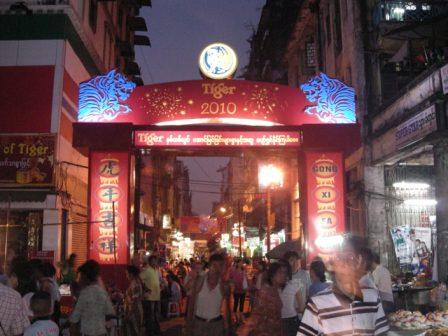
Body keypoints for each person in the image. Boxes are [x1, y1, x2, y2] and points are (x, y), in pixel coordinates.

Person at [297, 236, 389, 336]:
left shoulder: (372, 297)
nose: (345, 262)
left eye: (351, 256)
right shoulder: (317, 304)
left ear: (359, 261)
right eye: (339, 257)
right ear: (331, 265)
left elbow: (381, 333)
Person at [186, 253, 232, 336]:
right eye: (214, 265)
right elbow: (191, 305)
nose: (217, 269)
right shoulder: (199, 281)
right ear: (209, 266)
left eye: (220, 266)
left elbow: (227, 309)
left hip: (217, 325)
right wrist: (189, 327)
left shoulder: (224, 286)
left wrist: (228, 328)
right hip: (199, 324)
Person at [69, 260, 115, 336]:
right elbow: (110, 312)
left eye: (80, 276)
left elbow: (75, 318)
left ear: (85, 277)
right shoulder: (101, 291)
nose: (79, 279)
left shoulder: (84, 293)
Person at [241, 262, 288, 336]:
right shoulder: (266, 291)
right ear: (272, 274)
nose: (284, 275)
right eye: (280, 272)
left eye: (285, 272)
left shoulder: (275, 289)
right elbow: (256, 314)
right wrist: (245, 330)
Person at [140, 255, 161, 336]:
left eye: (156, 261)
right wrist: (145, 288)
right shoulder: (146, 270)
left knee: (156, 316)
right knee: (150, 317)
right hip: (149, 298)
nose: (155, 262)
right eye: (154, 261)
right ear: (150, 262)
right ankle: (150, 332)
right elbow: (139, 279)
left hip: (156, 296)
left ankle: (156, 331)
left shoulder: (156, 270)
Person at [283, 251, 310, 315]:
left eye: (297, 260)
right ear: (286, 262)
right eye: (291, 260)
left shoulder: (305, 274)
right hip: (288, 315)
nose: (295, 263)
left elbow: (308, 293)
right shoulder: (283, 276)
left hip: (303, 314)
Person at [280, 261, 302, 336]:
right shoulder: (294, 284)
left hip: (278, 320)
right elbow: (301, 308)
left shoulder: (274, 286)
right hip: (292, 320)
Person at [124, 265, 144, 336]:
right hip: (134, 310)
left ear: (131, 274)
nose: (126, 276)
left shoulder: (135, 284)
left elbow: (135, 301)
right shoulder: (136, 282)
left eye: (126, 274)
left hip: (135, 312)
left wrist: (129, 314)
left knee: (135, 331)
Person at [229, 258, 248, 325]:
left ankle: (241, 317)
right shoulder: (233, 270)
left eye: (242, 262)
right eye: (240, 262)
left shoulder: (244, 270)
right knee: (236, 303)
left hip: (243, 289)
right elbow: (230, 278)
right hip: (236, 289)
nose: (241, 264)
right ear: (237, 263)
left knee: (242, 304)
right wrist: (233, 282)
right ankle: (235, 317)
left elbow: (246, 279)